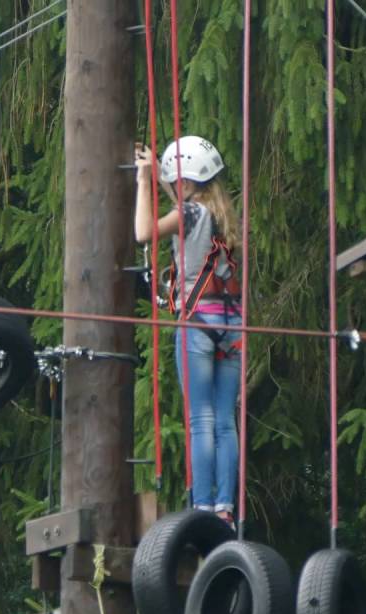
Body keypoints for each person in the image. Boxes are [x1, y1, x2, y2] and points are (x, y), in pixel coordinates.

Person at [134, 136, 243, 525]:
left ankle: (201, 506)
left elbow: (144, 232)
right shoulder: (222, 215)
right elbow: (184, 208)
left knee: (201, 421)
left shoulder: (187, 214)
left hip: (196, 324)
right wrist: (162, 181)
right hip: (231, 326)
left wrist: (144, 179)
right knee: (225, 420)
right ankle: (224, 506)